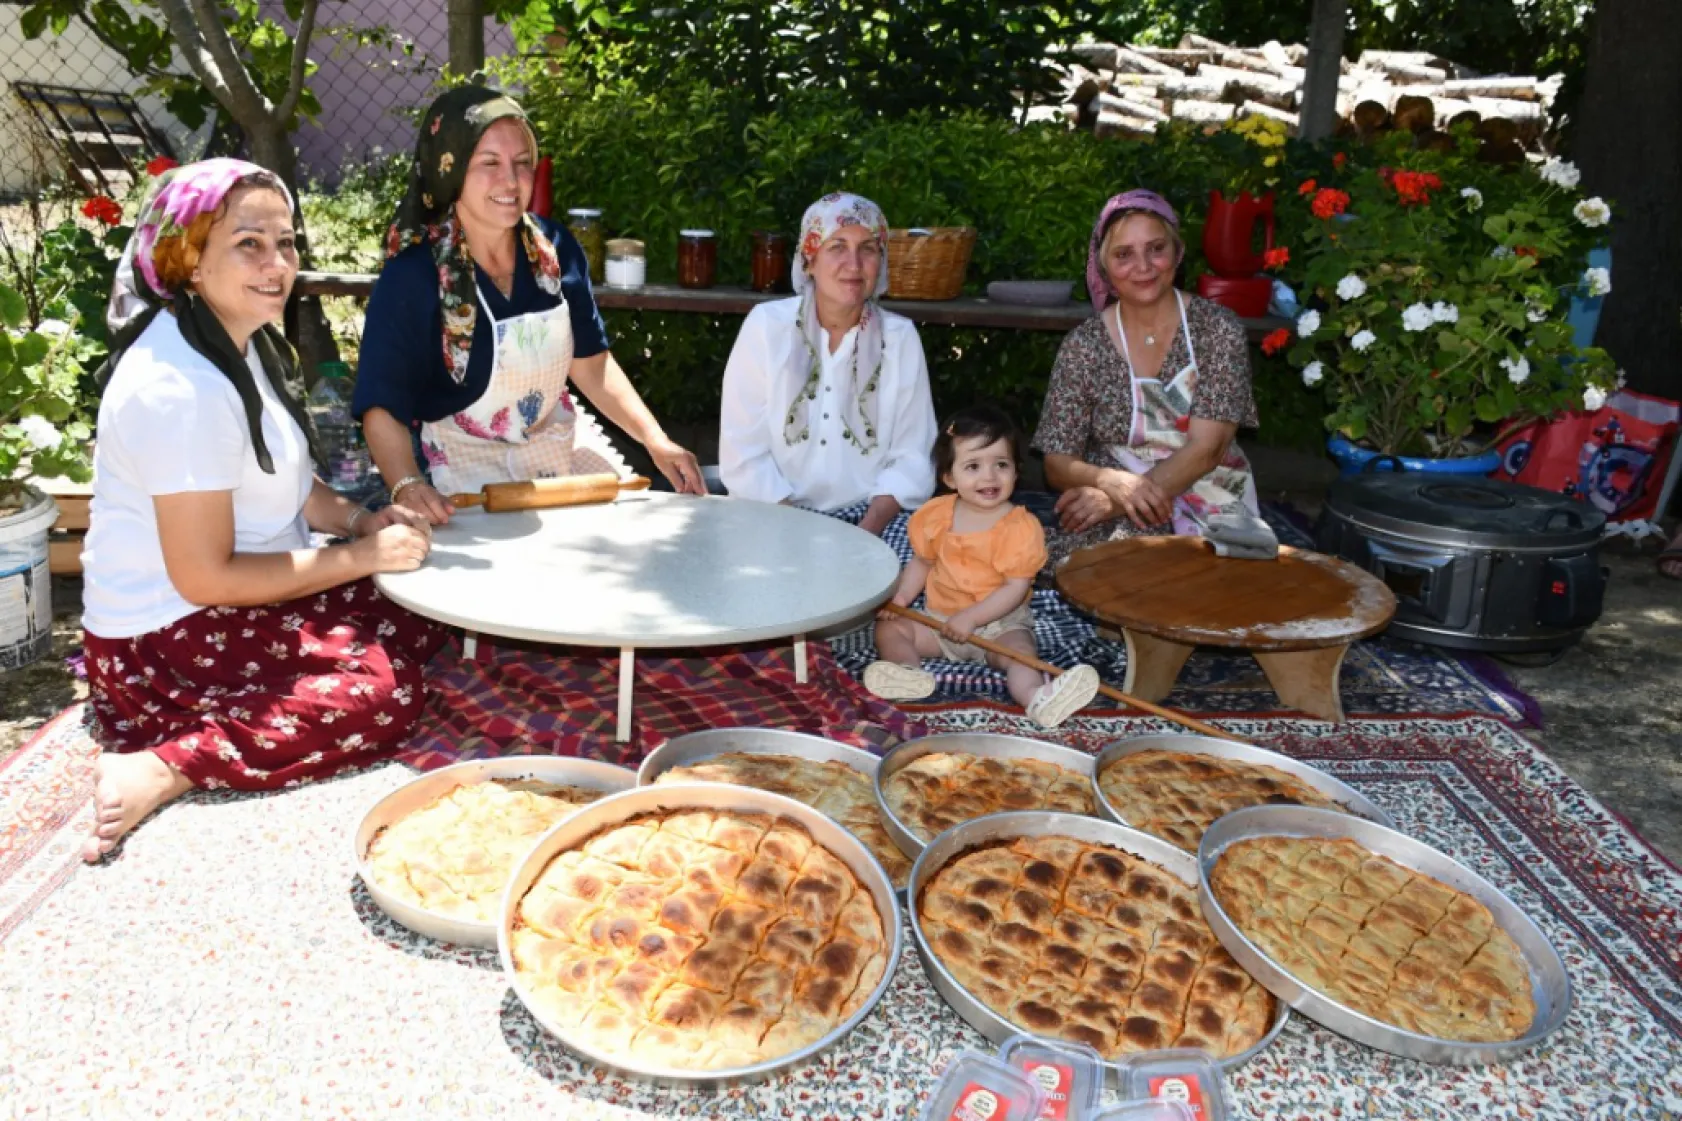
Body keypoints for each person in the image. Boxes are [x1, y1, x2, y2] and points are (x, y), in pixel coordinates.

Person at [79, 159, 446, 862]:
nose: (277, 265)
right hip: (164, 640)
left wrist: (360, 522)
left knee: (423, 607)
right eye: (249, 244)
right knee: (385, 692)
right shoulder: (175, 386)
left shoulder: (238, 344)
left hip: (238, 598)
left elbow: (291, 483)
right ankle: (167, 763)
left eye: (285, 242)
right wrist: (358, 558)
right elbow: (205, 578)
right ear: (189, 259)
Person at [354, 86, 703, 522]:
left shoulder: (554, 250)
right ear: (450, 170)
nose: (510, 181)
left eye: (522, 163)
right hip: (457, 481)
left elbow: (591, 364)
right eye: (489, 163)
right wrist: (407, 485)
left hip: (555, 459)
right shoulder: (413, 276)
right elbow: (382, 405)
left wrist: (656, 439)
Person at [1032, 190, 1261, 570]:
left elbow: (1207, 449)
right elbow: (1057, 462)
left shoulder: (1218, 329)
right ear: (1103, 266)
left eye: (1156, 249)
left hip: (1209, 490)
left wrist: (1115, 500)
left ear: (1177, 252)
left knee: (1219, 584)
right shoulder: (1084, 345)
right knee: (1105, 573)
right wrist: (1112, 483)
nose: (1143, 266)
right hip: (1116, 495)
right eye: (1123, 255)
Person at [865, 405, 1100, 728]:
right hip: (939, 621)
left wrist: (973, 618)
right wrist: (902, 599)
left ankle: (1036, 697)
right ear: (949, 477)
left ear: (1016, 471)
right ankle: (907, 672)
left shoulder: (1020, 527)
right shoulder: (936, 515)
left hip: (999, 626)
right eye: (973, 466)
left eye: (1001, 464)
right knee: (890, 630)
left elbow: (1015, 587)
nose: (989, 476)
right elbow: (922, 563)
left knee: (1021, 653)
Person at [718, 191, 937, 536]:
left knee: (914, 569)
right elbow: (742, 453)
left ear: (881, 262)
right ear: (809, 259)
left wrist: (867, 531)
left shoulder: (900, 338)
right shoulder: (766, 326)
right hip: (772, 510)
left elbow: (913, 457)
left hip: (871, 519)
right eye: (837, 246)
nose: (854, 264)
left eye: (868, 248)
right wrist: (797, 532)